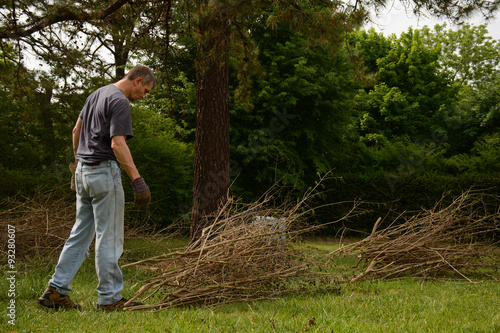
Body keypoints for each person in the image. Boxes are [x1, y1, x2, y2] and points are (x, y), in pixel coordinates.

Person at [38, 65, 154, 311]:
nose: (144, 96)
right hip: (103, 174)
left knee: (80, 234)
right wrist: (137, 179)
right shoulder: (120, 101)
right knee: (109, 238)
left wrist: (79, 162)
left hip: (83, 173)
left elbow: (76, 131)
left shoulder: (96, 95)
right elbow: (117, 143)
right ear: (137, 81)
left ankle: (55, 291)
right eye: (145, 91)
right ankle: (110, 299)